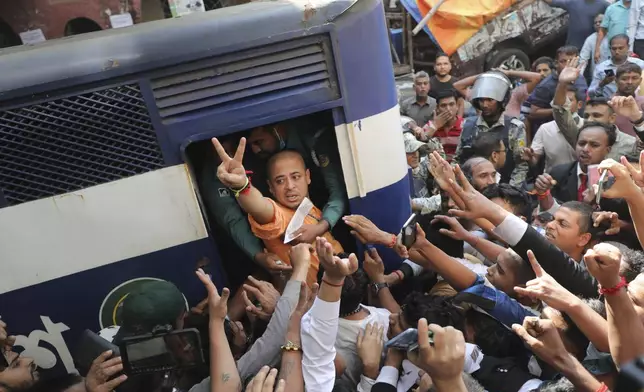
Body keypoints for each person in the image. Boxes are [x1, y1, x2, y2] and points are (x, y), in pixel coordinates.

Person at [213, 137, 343, 286]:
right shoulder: (279, 216)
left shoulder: (311, 209)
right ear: (270, 187)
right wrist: (242, 185)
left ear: (307, 177)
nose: (290, 186)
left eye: (295, 177)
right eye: (280, 181)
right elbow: (260, 207)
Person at [247, 117, 348, 244]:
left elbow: (338, 193)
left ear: (278, 130)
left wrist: (320, 227)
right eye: (280, 180)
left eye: (259, 142)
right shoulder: (276, 216)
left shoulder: (314, 140)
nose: (255, 150)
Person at [551, 58, 642, 158]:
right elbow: (560, 111)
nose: (590, 120)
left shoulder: (630, 144)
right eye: (586, 115)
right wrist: (562, 83)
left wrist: (637, 119)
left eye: (596, 115)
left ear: (612, 118)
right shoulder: (579, 135)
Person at [453, 71, 529, 187]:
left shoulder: (515, 127)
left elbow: (521, 166)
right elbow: (458, 159)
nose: (485, 105)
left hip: (506, 188)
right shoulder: (468, 125)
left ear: (501, 101)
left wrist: (509, 192)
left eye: (490, 100)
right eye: (481, 100)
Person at [525, 46, 588, 134]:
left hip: (580, 128)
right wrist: (561, 110)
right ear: (556, 63)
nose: (567, 65)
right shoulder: (546, 85)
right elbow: (533, 113)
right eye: (563, 61)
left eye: (572, 61)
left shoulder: (580, 78)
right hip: (554, 132)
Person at [523, 85, 579, 173]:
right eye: (562, 101)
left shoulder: (586, 127)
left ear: (579, 105)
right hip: (551, 181)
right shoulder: (545, 129)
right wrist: (530, 158)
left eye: (570, 101)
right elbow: (534, 160)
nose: (565, 105)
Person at [543, 0, 608, 50]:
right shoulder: (573, 2)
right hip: (573, 46)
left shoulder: (603, 4)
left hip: (591, 46)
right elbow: (553, 2)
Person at [419, 89, 463, 162]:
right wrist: (434, 127)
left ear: (457, 107)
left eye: (451, 104)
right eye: (443, 105)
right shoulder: (430, 126)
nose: (448, 109)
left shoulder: (465, 125)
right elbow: (419, 148)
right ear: (437, 108)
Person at [580, 13, 611, 78]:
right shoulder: (590, 39)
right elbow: (583, 58)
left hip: (612, 74)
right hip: (596, 75)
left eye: (600, 21)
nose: (597, 24)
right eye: (595, 23)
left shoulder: (613, 36)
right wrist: (579, 75)